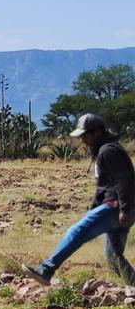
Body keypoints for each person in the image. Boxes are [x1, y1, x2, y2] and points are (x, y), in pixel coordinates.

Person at [23, 113, 135, 286]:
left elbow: (123, 180)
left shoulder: (108, 151)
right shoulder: (106, 149)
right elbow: (105, 186)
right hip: (120, 207)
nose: (82, 140)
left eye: (85, 135)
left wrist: (125, 209)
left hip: (116, 207)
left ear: (97, 132)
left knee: (76, 231)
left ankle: (46, 270)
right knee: (114, 258)